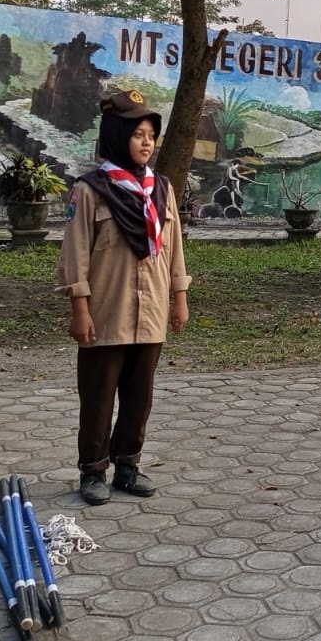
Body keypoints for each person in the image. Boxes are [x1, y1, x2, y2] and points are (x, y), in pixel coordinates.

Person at [57, 91, 191, 505]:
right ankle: (93, 470)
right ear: (116, 137)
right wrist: (80, 310)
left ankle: (128, 466)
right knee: (97, 396)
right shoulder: (91, 190)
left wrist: (179, 296)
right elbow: (75, 254)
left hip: (150, 311)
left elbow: (173, 247)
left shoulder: (161, 189)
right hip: (106, 312)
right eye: (137, 134)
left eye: (151, 135)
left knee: (139, 395)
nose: (147, 142)